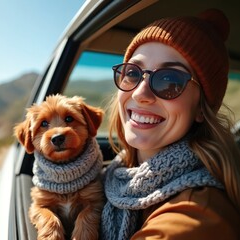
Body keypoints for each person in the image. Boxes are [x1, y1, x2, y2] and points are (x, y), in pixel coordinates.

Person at [101, 9, 240, 240]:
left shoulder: (195, 217)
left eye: (170, 80)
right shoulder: (112, 176)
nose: (140, 93)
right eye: (133, 74)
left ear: (200, 109)